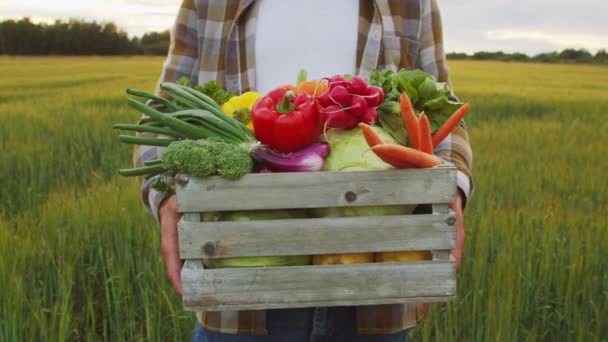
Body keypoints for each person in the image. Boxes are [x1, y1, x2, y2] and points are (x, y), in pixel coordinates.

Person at [134, 0, 473, 341]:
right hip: (239, 293)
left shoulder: (409, 4)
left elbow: (443, 109)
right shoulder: (210, 4)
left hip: (376, 288)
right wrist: (164, 195)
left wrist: (453, 185)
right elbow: (162, 111)